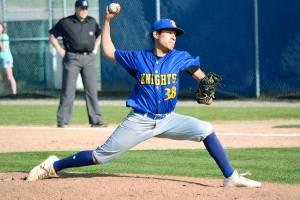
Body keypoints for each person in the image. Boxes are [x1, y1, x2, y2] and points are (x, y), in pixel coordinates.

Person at [27, 4, 261, 188]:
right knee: (100, 157)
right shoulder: (139, 58)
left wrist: (207, 91)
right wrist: (107, 21)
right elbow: (109, 52)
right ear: (156, 34)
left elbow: (201, 76)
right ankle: (53, 165)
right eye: (169, 32)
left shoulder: (180, 57)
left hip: (168, 119)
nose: (173, 36)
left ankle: (231, 177)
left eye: (175, 33)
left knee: (206, 129)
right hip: (140, 119)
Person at [48, 0, 105, 128]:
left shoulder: (91, 21)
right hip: (72, 58)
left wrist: (95, 49)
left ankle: (95, 120)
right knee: (68, 90)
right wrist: (60, 50)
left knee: (91, 90)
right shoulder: (66, 22)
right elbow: (51, 35)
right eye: (81, 8)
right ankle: (62, 120)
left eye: (86, 8)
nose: (84, 10)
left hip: (89, 58)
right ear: (76, 9)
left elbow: (99, 35)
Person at [0, 22, 17, 95]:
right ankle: (6, 94)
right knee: (4, 79)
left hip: (6, 58)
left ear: (2, 28)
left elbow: (3, 48)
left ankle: (14, 94)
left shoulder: (4, 36)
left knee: (9, 77)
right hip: (0, 59)